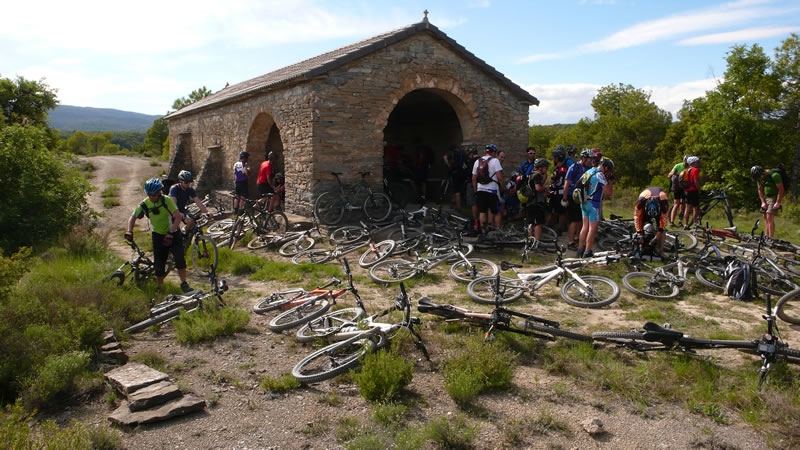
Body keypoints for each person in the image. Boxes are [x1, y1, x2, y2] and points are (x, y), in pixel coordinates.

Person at [125, 178, 192, 292]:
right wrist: (129, 231)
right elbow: (133, 217)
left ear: (160, 192)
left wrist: (171, 231)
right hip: (158, 235)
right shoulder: (145, 203)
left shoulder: (166, 200)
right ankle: (160, 286)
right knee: (159, 263)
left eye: (155, 195)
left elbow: (177, 216)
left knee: (179, 259)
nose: (153, 197)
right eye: (150, 195)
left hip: (173, 233)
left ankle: (184, 283)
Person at [576, 159, 614, 258]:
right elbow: (609, 192)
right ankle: (587, 251)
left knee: (585, 227)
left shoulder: (589, 171)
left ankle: (580, 249)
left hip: (584, 201)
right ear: (605, 167)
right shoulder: (600, 175)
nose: (609, 172)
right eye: (609, 170)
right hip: (594, 204)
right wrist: (610, 181)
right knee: (592, 229)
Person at [562, 148, 593, 250]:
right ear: (583, 158)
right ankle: (570, 242)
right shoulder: (574, 167)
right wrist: (565, 197)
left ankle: (578, 238)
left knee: (581, 219)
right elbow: (567, 182)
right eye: (589, 159)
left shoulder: (589, 168)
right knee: (574, 220)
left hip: (583, 197)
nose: (591, 161)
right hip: (573, 196)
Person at [472, 144, 504, 234]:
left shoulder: (477, 161)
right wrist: (503, 187)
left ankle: (483, 231)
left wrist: (475, 190)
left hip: (480, 189)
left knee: (482, 211)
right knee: (496, 211)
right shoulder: (495, 161)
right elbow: (500, 177)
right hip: (492, 190)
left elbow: (474, 178)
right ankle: (497, 231)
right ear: (494, 152)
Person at [633, 187, 670, 257]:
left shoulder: (663, 201)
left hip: (660, 204)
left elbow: (664, 221)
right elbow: (637, 217)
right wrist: (639, 233)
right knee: (643, 225)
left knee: (662, 230)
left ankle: (660, 251)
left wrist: (657, 237)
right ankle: (642, 243)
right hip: (645, 202)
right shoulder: (641, 201)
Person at [751, 165, 785, 238]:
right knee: (765, 217)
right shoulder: (759, 178)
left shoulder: (775, 175)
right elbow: (760, 189)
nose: (760, 179)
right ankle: (766, 236)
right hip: (766, 197)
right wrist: (763, 202)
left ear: (763, 173)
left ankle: (770, 238)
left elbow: (781, 189)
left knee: (769, 217)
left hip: (774, 197)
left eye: (760, 177)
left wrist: (778, 202)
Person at [526, 158, 550, 241]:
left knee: (531, 222)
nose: (546, 169)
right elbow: (538, 188)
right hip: (536, 202)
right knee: (538, 223)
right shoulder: (537, 175)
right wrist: (546, 188)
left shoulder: (531, 174)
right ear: (540, 167)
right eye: (545, 168)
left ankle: (529, 240)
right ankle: (536, 241)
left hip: (530, 202)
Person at [547, 146, 569, 233]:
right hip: (555, 193)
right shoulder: (557, 168)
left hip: (560, 193)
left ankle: (560, 228)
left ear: (557, 158)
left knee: (561, 212)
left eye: (554, 157)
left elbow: (560, 182)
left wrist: (550, 187)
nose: (553, 159)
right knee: (552, 211)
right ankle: (549, 226)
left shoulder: (563, 169)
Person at [442, 144, 469, 209]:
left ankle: (458, 207)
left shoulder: (452, 154)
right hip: (463, 174)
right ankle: (455, 203)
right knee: (460, 190)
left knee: (456, 191)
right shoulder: (463, 153)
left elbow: (448, 162)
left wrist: (447, 163)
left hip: (455, 173)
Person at [667, 155, 689, 227]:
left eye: (687, 163)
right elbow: (669, 175)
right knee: (676, 204)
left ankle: (680, 221)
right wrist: (674, 174)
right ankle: (672, 222)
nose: (686, 164)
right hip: (677, 187)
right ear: (684, 160)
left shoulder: (689, 167)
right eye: (686, 162)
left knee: (683, 205)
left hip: (685, 187)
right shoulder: (678, 166)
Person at [465, 148, 481, 231]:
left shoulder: (471, 161)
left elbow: (469, 174)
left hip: (472, 183)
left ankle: (476, 221)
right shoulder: (482, 161)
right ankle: (482, 222)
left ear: (471, 154)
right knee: (480, 203)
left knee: (474, 203)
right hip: (482, 184)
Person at [682, 156, 701, 229]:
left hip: (686, 191)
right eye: (697, 162)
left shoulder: (688, 170)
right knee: (696, 208)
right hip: (693, 191)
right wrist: (699, 190)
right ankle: (695, 223)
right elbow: (696, 181)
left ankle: (686, 224)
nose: (698, 163)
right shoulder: (695, 170)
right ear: (693, 163)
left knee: (687, 208)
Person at [233, 151, 250, 215]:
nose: (247, 159)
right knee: (242, 197)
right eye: (247, 158)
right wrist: (248, 173)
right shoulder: (243, 164)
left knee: (237, 196)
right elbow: (246, 173)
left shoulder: (236, 164)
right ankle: (240, 211)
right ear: (244, 158)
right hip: (243, 182)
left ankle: (235, 211)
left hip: (237, 182)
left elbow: (234, 173)